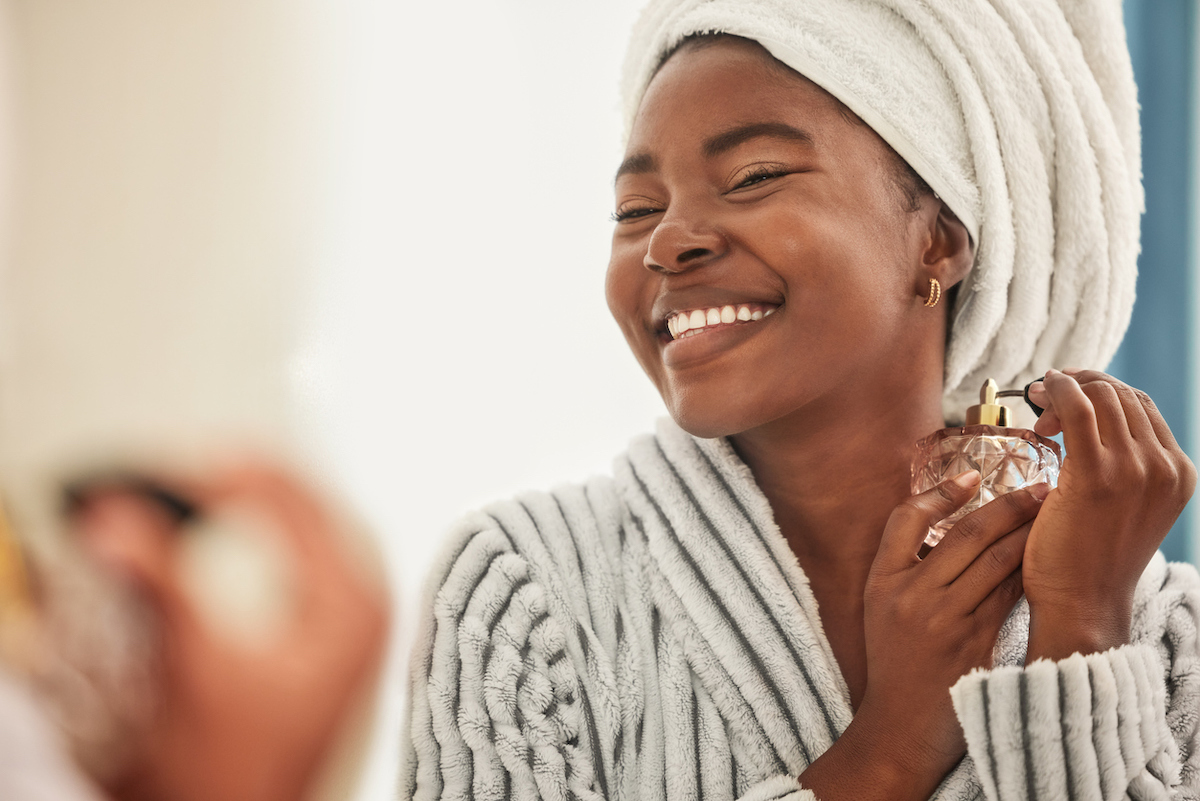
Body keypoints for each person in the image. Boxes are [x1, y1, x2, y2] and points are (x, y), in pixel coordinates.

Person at [400, 1, 1200, 800]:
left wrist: (1081, 636)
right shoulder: (521, 594)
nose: (667, 241)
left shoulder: (1164, 633)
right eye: (636, 210)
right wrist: (890, 748)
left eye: (754, 177)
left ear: (940, 240)